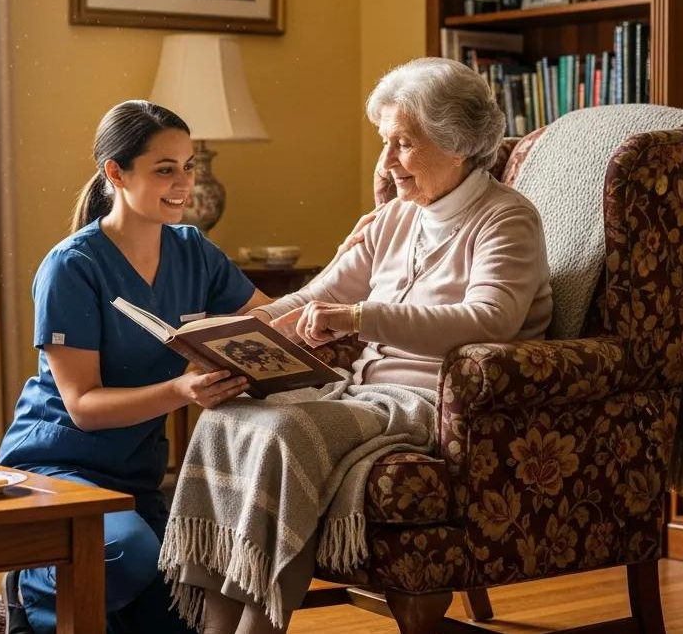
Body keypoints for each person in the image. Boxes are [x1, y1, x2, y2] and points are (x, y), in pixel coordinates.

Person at [162, 57, 553, 634]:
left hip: (437, 403)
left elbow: (490, 318)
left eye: (403, 144)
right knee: (228, 416)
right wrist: (231, 334)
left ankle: (259, 626)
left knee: (285, 429)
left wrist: (360, 317)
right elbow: (314, 296)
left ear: (457, 145)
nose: (387, 162)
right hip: (365, 391)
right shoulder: (398, 216)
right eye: (385, 142)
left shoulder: (505, 220)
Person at [0, 100, 268, 634]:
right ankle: (31, 585)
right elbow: (84, 408)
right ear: (115, 174)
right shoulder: (72, 267)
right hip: (57, 468)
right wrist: (183, 388)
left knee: (192, 602)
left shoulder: (194, 250)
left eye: (188, 166)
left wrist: (350, 270)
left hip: (136, 478)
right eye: (164, 169)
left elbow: (272, 319)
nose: (183, 183)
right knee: (128, 558)